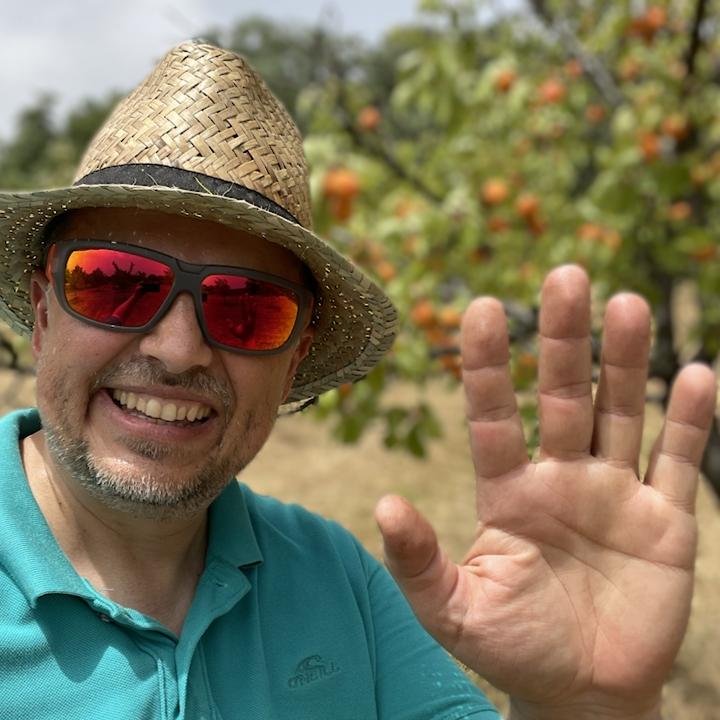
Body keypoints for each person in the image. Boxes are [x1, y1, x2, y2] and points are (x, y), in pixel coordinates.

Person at [0, 40, 715, 720]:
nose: (179, 348)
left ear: (294, 359)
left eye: (248, 308)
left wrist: (585, 706)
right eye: (115, 282)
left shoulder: (335, 578)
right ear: (42, 310)